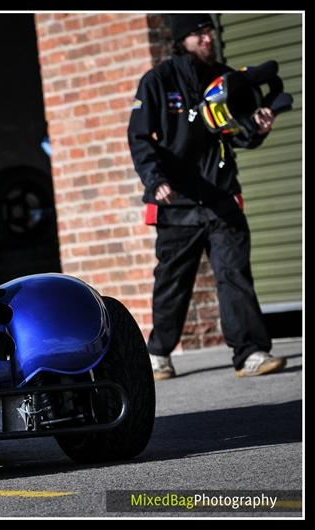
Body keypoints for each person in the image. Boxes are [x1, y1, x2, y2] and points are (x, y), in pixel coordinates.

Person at [127, 13, 286, 380]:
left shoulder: (228, 78)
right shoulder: (158, 81)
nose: (206, 39)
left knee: (234, 275)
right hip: (177, 202)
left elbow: (241, 134)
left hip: (221, 196)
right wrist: (155, 180)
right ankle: (159, 354)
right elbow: (139, 137)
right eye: (197, 34)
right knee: (172, 282)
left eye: (209, 31)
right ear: (181, 40)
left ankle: (251, 354)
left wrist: (258, 129)